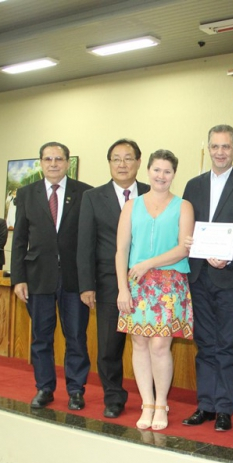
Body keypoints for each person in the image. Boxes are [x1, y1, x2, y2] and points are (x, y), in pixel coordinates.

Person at [181, 124, 233, 432]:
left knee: (227, 344)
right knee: (204, 343)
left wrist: (229, 255)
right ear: (208, 149)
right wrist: (187, 239)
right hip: (199, 275)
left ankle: (224, 408)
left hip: (230, 277)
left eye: (226, 146)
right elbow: (186, 225)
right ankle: (205, 405)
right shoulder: (193, 185)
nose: (220, 152)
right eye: (215, 146)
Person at [10, 142, 93, 411]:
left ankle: (76, 390)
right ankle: (44, 388)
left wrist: (89, 282)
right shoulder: (26, 194)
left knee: (76, 336)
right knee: (41, 337)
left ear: (67, 163)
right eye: (48, 159)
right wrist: (18, 279)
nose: (53, 164)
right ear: (41, 163)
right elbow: (19, 239)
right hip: (38, 278)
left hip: (74, 279)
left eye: (59, 159)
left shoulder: (85, 193)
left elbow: (90, 240)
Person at [116, 149, 194, 431]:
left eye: (167, 171)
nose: (161, 176)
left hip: (169, 283)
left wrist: (148, 263)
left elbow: (183, 248)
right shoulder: (131, 206)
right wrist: (122, 289)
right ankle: (146, 403)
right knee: (139, 343)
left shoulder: (183, 206)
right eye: (157, 170)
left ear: (174, 174)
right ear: (147, 171)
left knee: (160, 345)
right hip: (136, 283)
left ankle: (161, 403)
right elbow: (121, 250)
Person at [78, 139, 150, 419]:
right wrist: (87, 285)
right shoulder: (93, 197)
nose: (122, 164)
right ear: (109, 163)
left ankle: (152, 399)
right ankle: (113, 397)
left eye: (128, 158)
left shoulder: (152, 193)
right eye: (116, 159)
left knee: (150, 344)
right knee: (109, 345)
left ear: (139, 162)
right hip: (108, 282)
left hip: (148, 282)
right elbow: (85, 243)